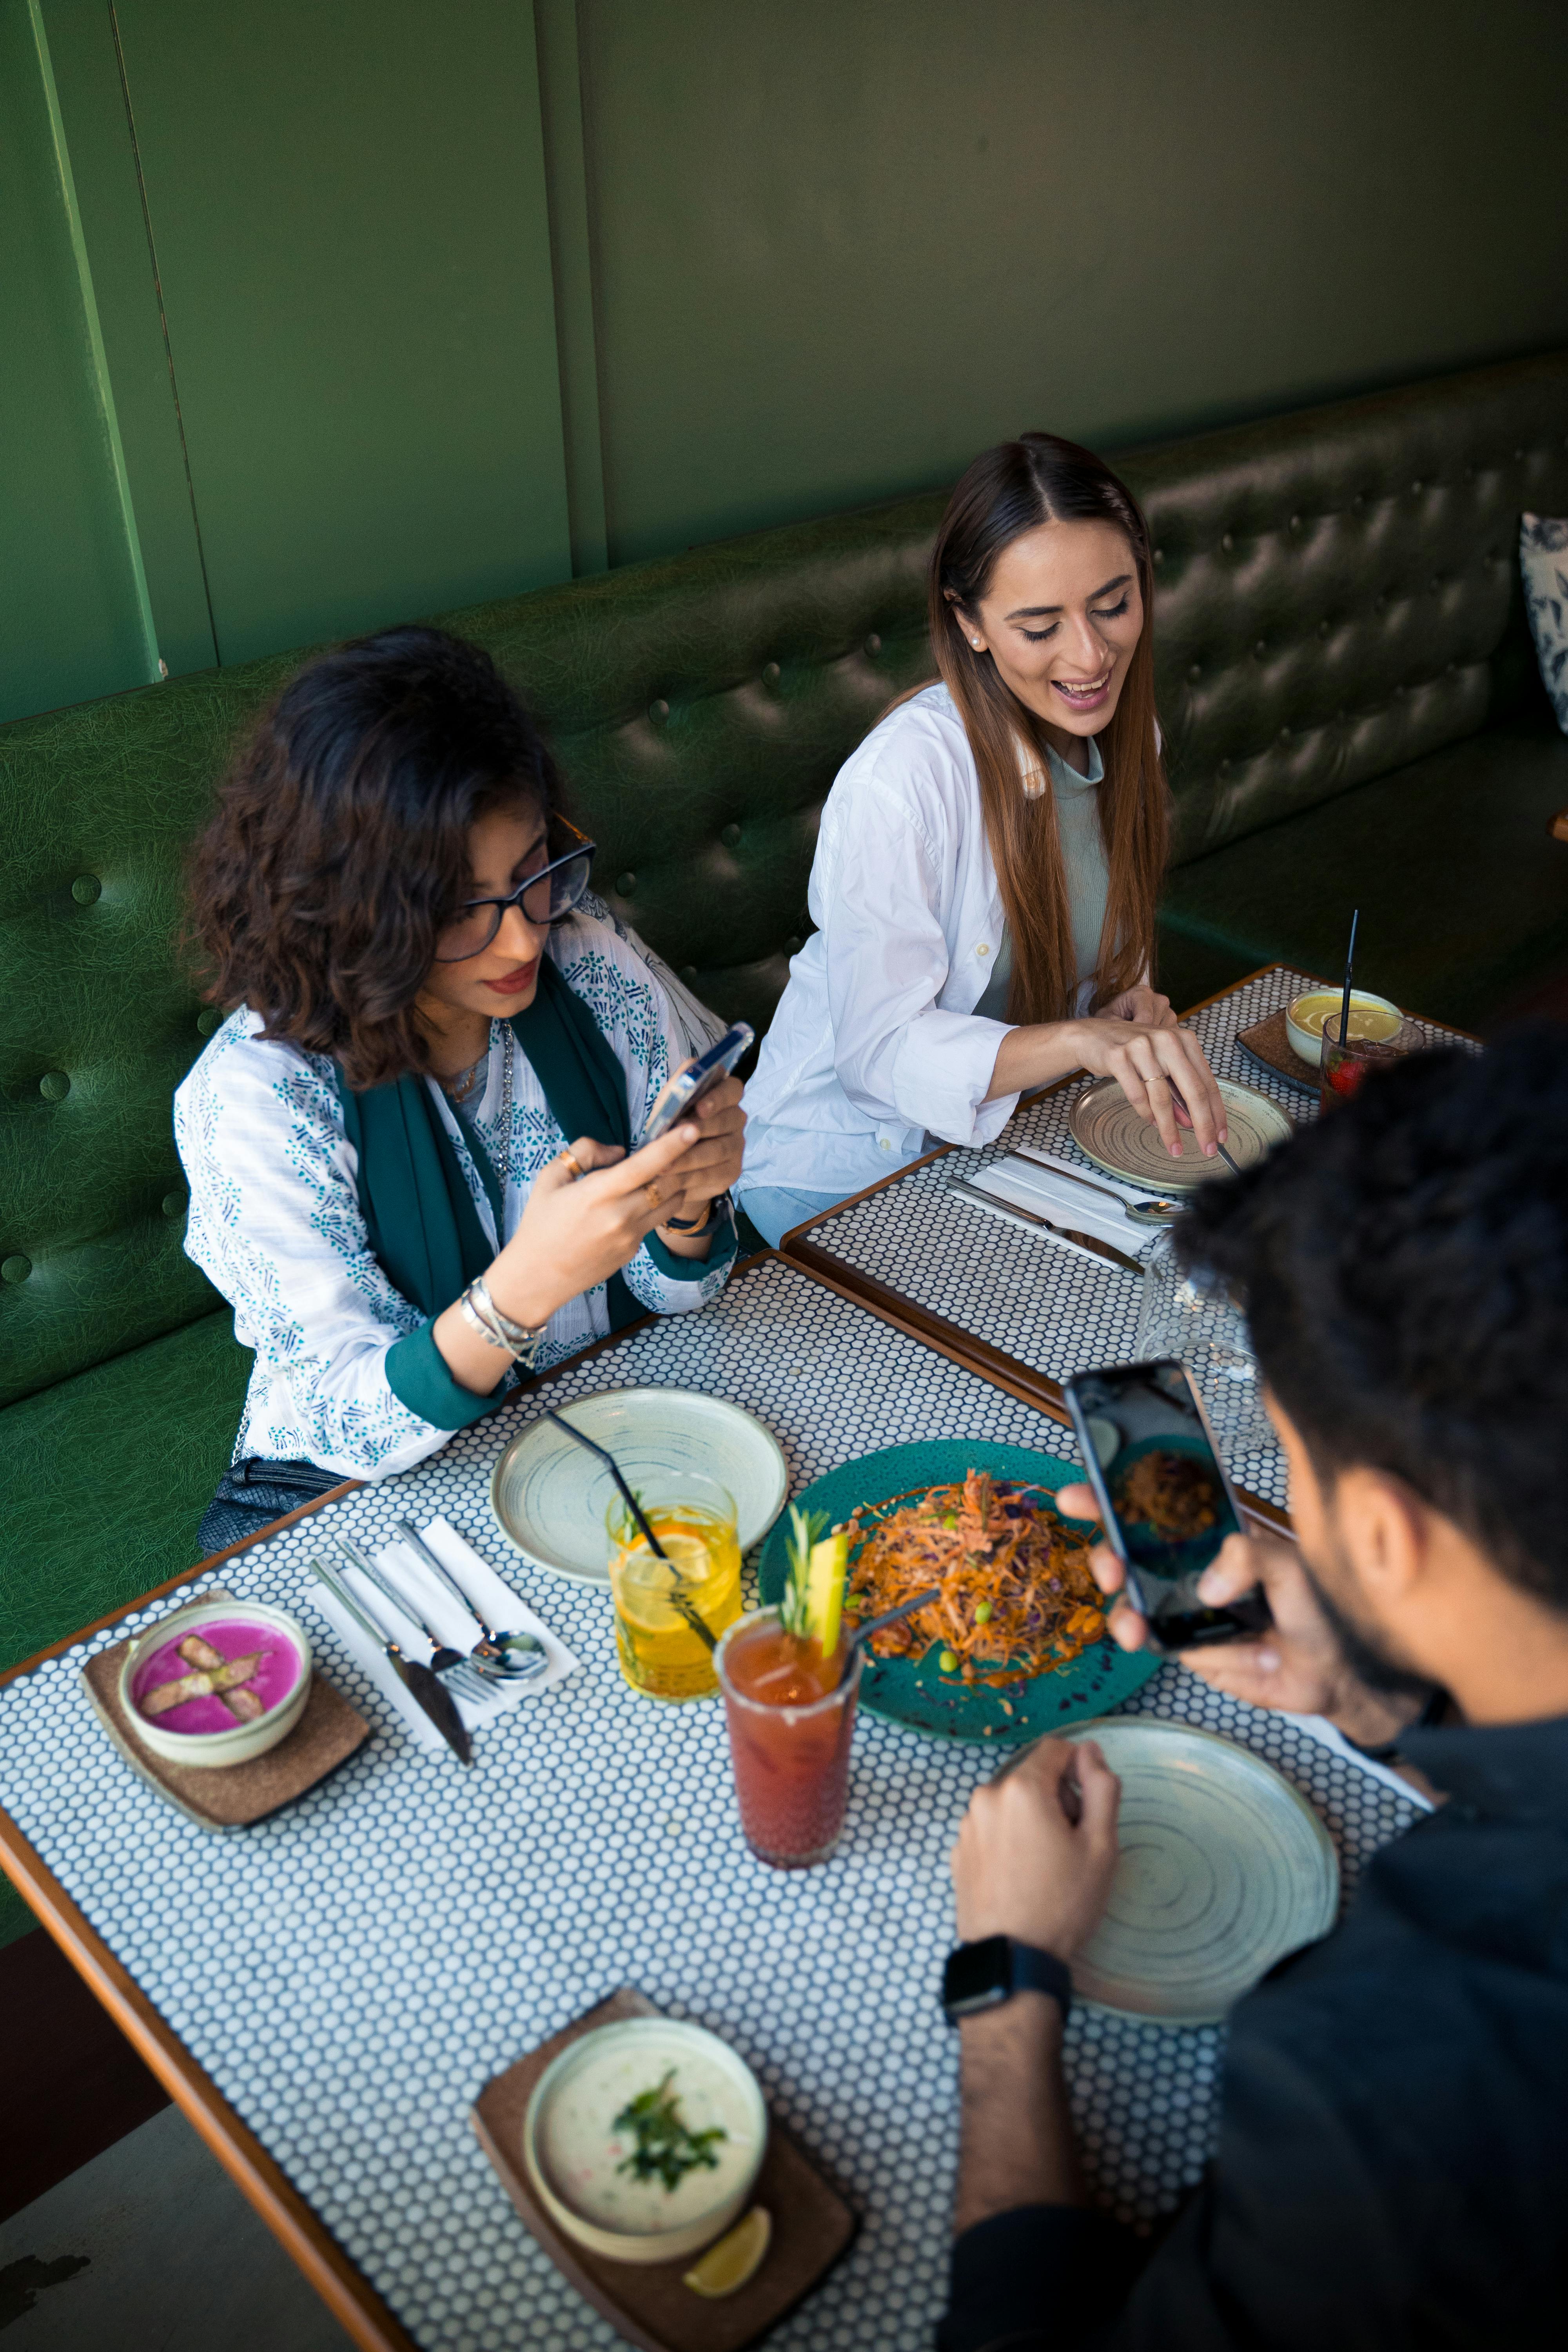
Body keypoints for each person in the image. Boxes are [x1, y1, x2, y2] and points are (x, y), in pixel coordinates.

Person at [939, 1025, 1568, 2350]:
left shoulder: (1394, 2073)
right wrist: (1382, 1698)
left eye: (1298, 1466)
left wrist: (1006, 1988)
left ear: (1388, 1535)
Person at [176, 627, 744, 1554]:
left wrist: (687, 1210)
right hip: (346, 1483)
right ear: (348, 910)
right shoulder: (256, 1094)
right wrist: (526, 1287)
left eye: (529, 876)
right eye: (453, 909)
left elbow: (684, 1289)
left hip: (587, 1420)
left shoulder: (587, 957)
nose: (522, 940)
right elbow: (344, 1418)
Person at [737, 433, 1227, 1249]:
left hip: (1002, 1145)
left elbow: (1092, 934)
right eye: (1039, 626)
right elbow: (879, 1055)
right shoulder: (900, 781)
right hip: (842, 1169)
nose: (1090, 654)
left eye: (1112, 603)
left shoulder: (1126, 731)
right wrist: (1078, 1040)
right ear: (969, 625)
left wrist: (1120, 1002)